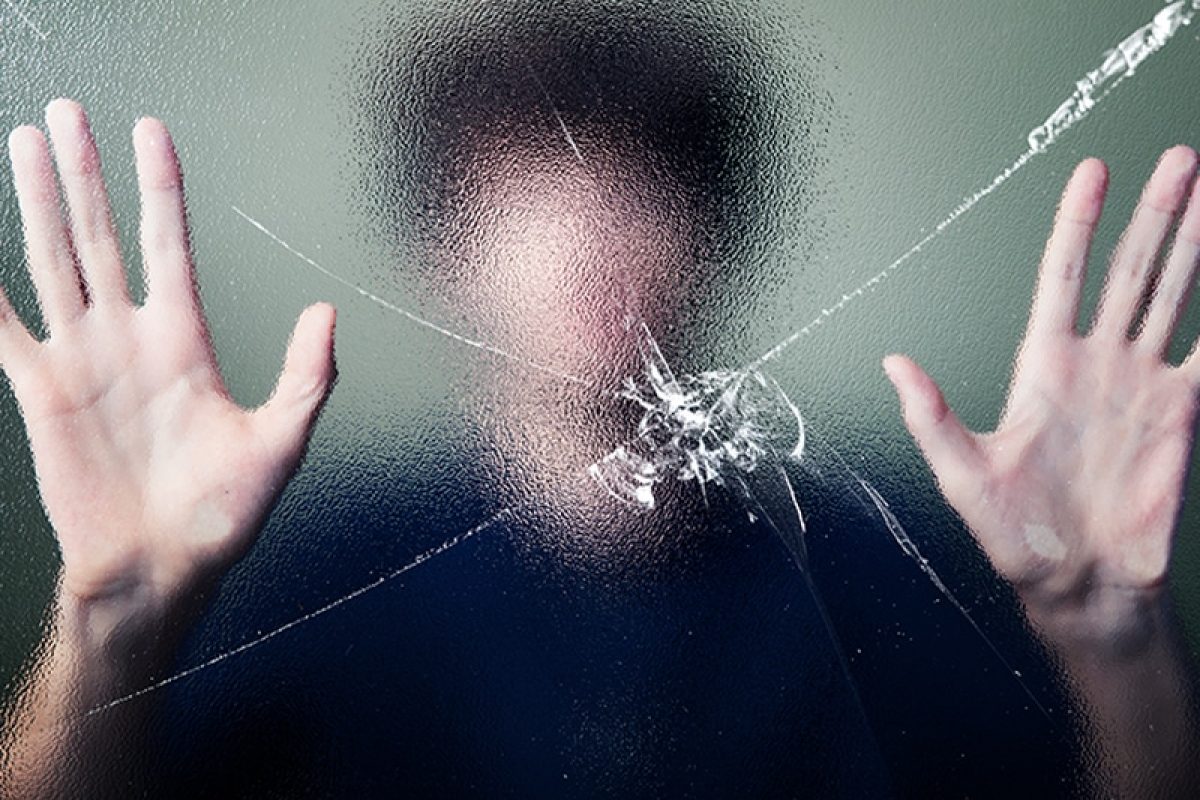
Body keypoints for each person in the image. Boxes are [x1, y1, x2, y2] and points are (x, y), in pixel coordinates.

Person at [0, 99, 1197, 797]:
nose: (592, 233)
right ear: (448, 248)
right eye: (530, 187)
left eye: (643, 183)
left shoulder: (890, 561)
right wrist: (114, 616)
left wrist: (1110, 633)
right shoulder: (325, 573)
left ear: (713, 234)